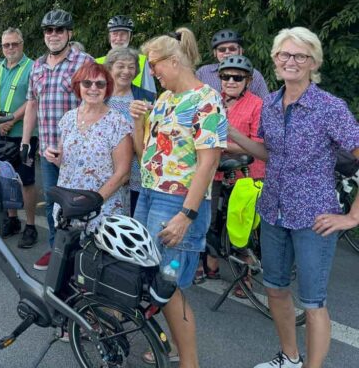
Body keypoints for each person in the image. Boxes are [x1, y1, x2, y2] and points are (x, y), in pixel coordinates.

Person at [228, 27, 359, 368]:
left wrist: (353, 217)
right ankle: (290, 358)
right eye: (285, 54)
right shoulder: (270, 104)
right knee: (274, 288)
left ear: (313, 62)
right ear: (274, 59)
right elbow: (271, 155)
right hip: (273, 211)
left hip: (314, 218)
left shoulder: (329, 107)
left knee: (313, 302)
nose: (291, 61)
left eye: (300, 55)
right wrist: (232, 133)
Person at [129, 27, 226, 368]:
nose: (151, 73)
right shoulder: (165, 100)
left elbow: (209, 162)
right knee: (152, 279)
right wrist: (138, 122)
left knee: (167, 285)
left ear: (172, 61)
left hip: (179, 201)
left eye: (154, 66)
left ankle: (189, 361)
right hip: (150, 193)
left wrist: (187, 214)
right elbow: (145, 156)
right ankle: (171, 347)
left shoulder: (207, 99)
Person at [21, 9, 94, 270]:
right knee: (53, 205)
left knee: (78, 206)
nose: (53, 35)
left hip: (76, 153)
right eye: (48, 30)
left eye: (59, 30)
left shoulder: (84, 62)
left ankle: (81, 257)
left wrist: (69, 145)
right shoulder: (37, 65)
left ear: (69, 33)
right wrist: (26, 142)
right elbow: (32, 104)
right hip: (47, 151)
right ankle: (56, 251)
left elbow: (94, 106)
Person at [194, 55, 265, 290]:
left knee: (242, 224)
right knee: (209, 218)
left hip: (246, 171)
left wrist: (221, 144)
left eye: (237, 77)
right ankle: (210, 264)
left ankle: (244, 274)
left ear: (248, 80)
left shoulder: (257, 104)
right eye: (225, 77)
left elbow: (257, 143)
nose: (231, 81)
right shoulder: (213, 101)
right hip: (214, 169)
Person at [52, 61, 133, 227]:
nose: (93, 88)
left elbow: (123, 174)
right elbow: (65, 163)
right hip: (68, 204)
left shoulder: (117, 122)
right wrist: (55, 158)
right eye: (87, 83)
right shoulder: (68, 118)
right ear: (78, 86)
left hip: (102, 209)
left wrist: (92, 202)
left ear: (107, 88)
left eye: (100, 84)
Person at [0, 28, 39, 248]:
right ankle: (13, 219)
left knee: (26, 180)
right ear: (1, 47)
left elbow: (33, 99)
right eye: (6, 45)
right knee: (5, 178)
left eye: (14, 44)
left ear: (22, 44)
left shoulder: (33, 67)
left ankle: (31, 225)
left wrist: (12, 119)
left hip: (23, 133)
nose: (10, 48)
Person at [103, 46, 156, 215]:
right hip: (103, 174)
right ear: (110, 67)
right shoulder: (98, 94)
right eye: (121, 66)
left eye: (131, 67)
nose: (126, 71)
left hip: (135, 174)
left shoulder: (146, 97)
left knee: (131, 223)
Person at [196, 28, 268, 99]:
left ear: (241, 50)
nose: (227, 52)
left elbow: (266, 103)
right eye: (222, 49)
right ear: (215, 53)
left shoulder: (254, 75)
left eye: (232, 49)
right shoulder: (203, 72)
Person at [95, 15, 156, 93]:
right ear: (109, 37)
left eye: (123, 34)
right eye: (115, 34)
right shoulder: (97, 62)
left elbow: (149, 93)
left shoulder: (142, 61)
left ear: (130, 37)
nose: (118, 38)